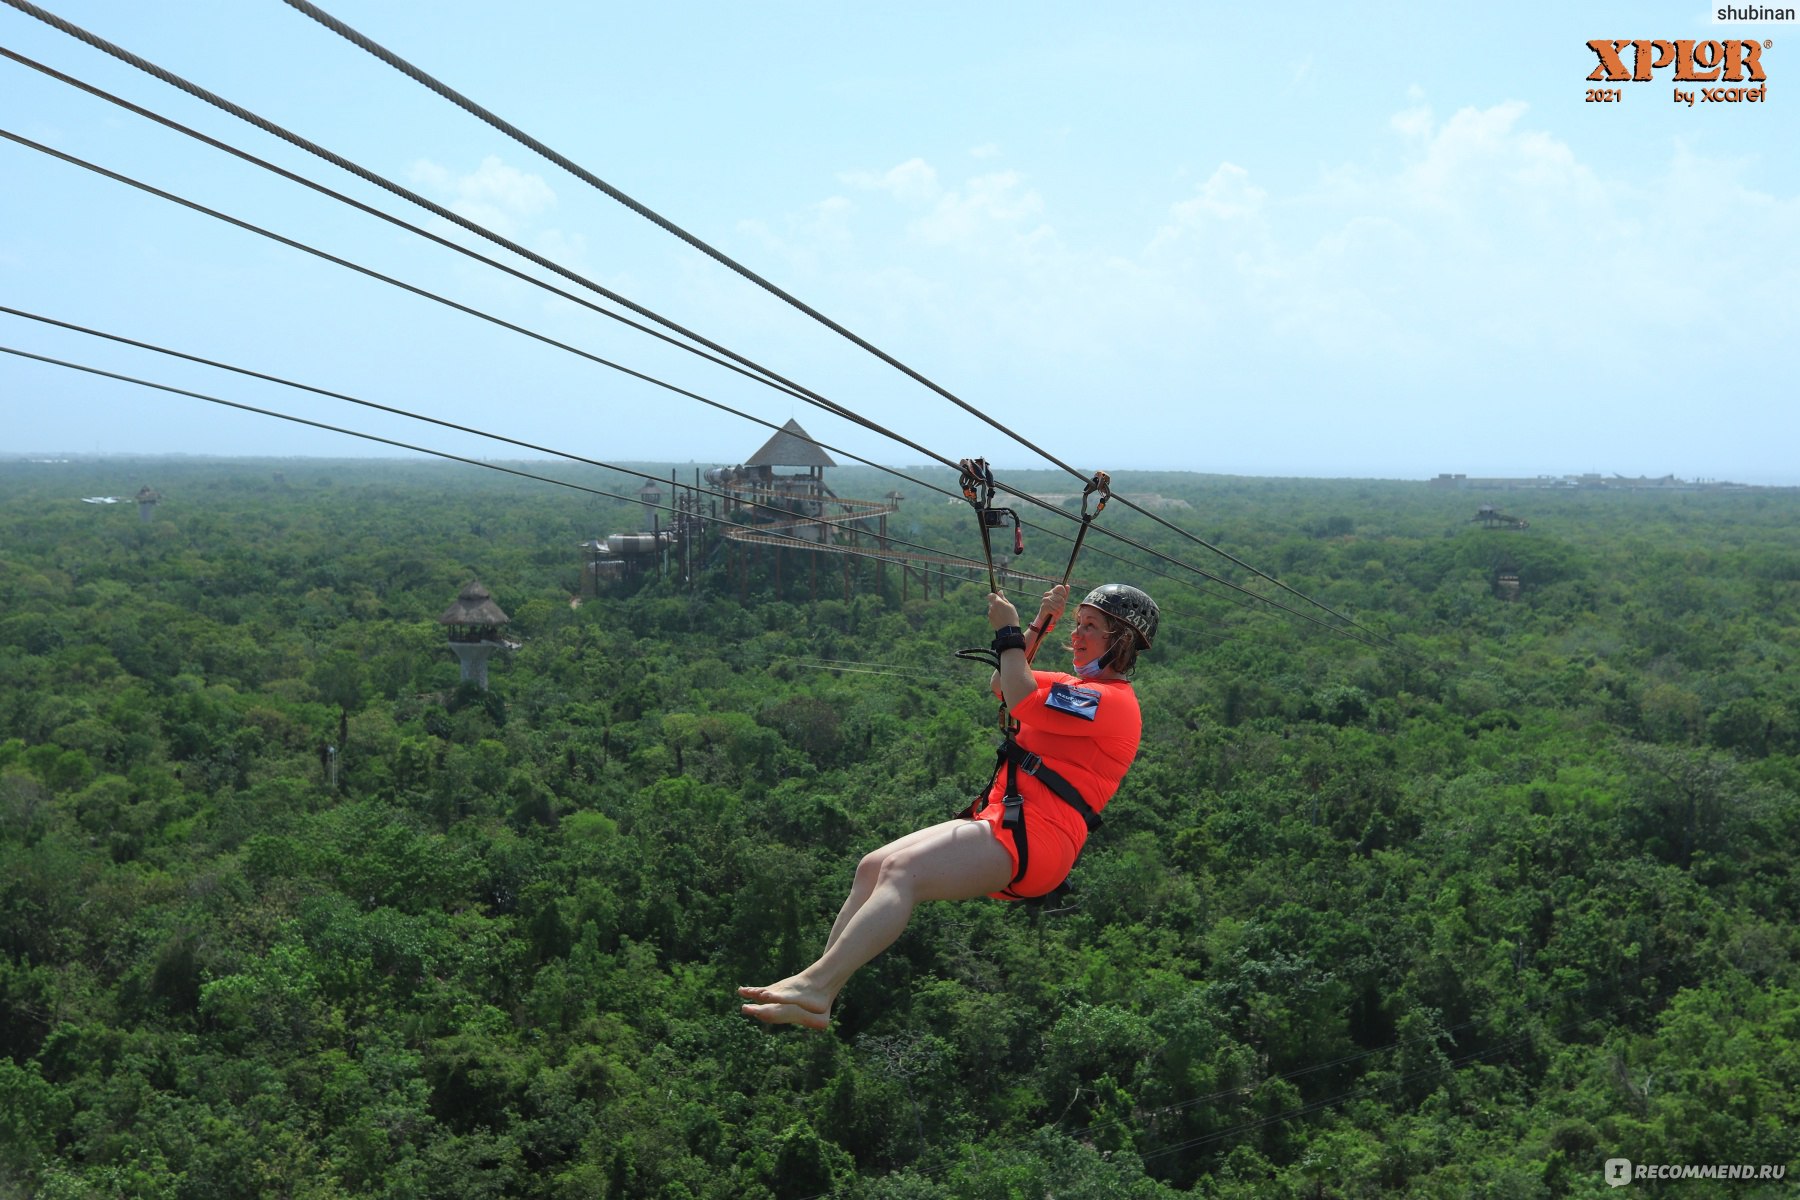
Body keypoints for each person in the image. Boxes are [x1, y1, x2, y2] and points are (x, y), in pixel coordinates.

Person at [738, 582, 1157, 1029]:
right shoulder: (1080, 689)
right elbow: (1005, 683)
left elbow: (1022, 697)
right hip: (1009, 817)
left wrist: (1012, 630)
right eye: (1076, 625)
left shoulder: (1113, 704)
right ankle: (819, 995)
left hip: (1040, 835)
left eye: (1089, 627)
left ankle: (817, 985)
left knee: (904, 874)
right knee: (873, 866)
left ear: (1123, 639)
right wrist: (1038, 625)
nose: (1076, 636)